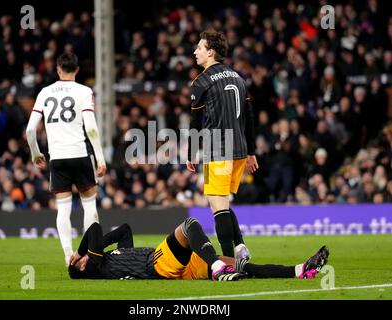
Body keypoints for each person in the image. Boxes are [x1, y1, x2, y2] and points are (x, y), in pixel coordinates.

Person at [26, 52, 106, 266]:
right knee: (89, 205)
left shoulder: (45, 92)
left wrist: (36, 153)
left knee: (63, 209)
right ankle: (88, 256)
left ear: (58, 70)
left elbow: (30, 130)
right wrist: (100, 158)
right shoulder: (84, 91)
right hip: (80, 154)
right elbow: (90, 128)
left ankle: (68, 257)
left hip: (58, 157)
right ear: (77, 69)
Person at [186, 29, 259, 260]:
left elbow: (195, 122)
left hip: (217, 148)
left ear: (211, 52)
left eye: (199, 47)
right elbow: (249, 116)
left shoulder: (201, 81)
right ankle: (239, 247)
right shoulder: (238, 77)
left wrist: (191, 153)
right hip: (239, 148)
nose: (195, 51)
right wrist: (251, 152)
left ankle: (228, 261)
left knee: (217, 207)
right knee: (223, 203)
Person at [68, 217, 329, 281]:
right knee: (189, 225)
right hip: (158, 264)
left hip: (175, 269)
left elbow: (124, 229)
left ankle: (299, 270)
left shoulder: (111, 257)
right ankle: (217, 268)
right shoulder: (93, 265)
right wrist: (79, 254)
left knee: (244, 268)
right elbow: (93, 229)